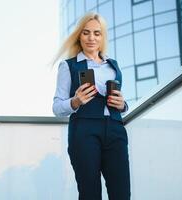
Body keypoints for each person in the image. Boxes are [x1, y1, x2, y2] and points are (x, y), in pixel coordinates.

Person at [52, 13, 131, 200]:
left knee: (122, 193)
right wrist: (75, 101)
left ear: (102, 37)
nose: (91, 38)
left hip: (115, 130)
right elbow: (57, 107)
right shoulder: (68, 66)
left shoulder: (113, 66)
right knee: (90, 194)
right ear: (79, 35)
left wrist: (123, 105)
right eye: (86, 33)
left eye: (97, 33)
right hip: (84, 131)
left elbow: (120, 102)